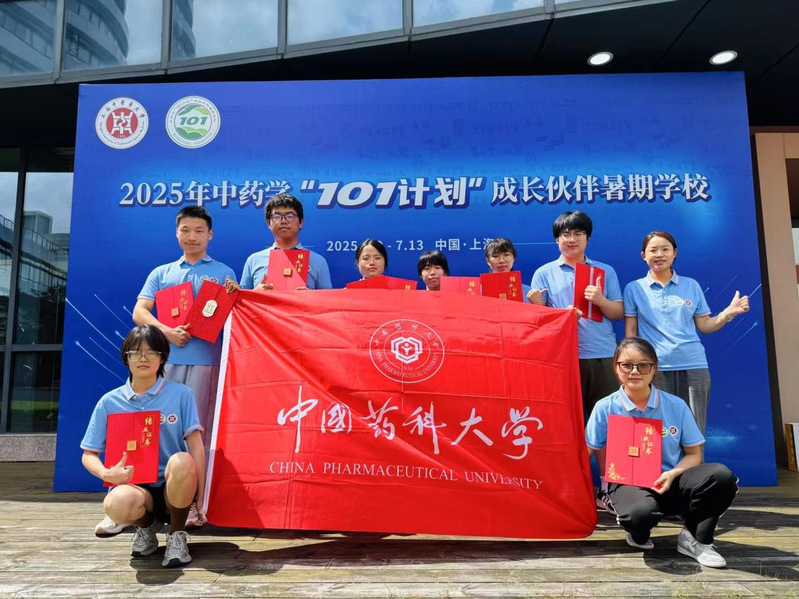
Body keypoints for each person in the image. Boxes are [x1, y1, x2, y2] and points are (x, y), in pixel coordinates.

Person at [93, 206, 234, 536]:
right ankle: (125, 502)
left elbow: (235, 316)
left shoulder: (224, 272)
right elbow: (139, 312)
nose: (192, 236)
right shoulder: (162, 273)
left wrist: (236, 295)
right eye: (186, 230)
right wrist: (166, 332)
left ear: (210, 234)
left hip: (207, 363)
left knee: (197, 435)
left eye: (199, 230)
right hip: (161, 365)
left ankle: (195, 503)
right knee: (143, 430)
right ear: (176, 233)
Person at [585, 337, 738, 567]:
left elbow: (694, 454)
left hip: (670, 481)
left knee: (721, 476)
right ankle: (638, 533)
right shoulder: (605, 407)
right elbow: (587, 451)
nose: (634, 371)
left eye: (643, 365)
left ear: (654, 369)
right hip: (628, 485)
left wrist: (672, 474)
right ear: (616, 368)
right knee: (638, 515)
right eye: (626, 365)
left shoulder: (675, 405)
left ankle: (696, 539)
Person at [80, 326, 206, 568]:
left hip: (173, 487)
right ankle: (146, 530)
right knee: (115, 503)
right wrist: (106, 473)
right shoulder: (109, 402)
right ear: (126, 358)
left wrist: (201, 496)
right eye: (136, 352)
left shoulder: (181, 394)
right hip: (136, 488)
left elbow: (196, 446)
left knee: (182, 460)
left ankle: (176, 536)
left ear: (162, 358)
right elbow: (89, 453)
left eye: (151, 352)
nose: (143, 358)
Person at [528, 211, 622, 513]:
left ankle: (609, 489)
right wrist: (547, 310)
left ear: (587, 238)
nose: (571, 239)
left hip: (602, 355)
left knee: (611, 426)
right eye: (565, 234)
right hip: (563, 359)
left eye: (577, 233)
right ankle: (570, 490)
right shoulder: (544, 273)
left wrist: (601, 300)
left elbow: (618, 312)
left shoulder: (604, 271)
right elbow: (538, 323)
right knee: (566, 428)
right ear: (557, 239)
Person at [623, 231, 749, 434]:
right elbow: (631, 334)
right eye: (653, 250)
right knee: (658, 430)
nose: (659, 255)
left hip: (693, 365)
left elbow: (705, 326)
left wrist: (728, 314)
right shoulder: (634, 288)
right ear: (643, 256)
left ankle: (695, 458)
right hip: (654, 368)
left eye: (665, 249)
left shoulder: (691, 285)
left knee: (694, 429)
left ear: (674, 253)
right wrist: (632, 367)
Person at [238, 193, 332, 291]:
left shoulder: (318, 261)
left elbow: (327, 299)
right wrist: (255, 293)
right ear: (269, 223)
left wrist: (310, 296)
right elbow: (241, 299)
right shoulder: (254, 260)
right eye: (277, 216)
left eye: (290, 216)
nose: (283, 221)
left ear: (301, 222)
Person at [484, 238, 531, 302]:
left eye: (506, 255)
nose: (501, 261)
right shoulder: (480, 291)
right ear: (487, 260)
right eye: (495, 256)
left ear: (514, 258)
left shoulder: (528, 292)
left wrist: (536, 303)